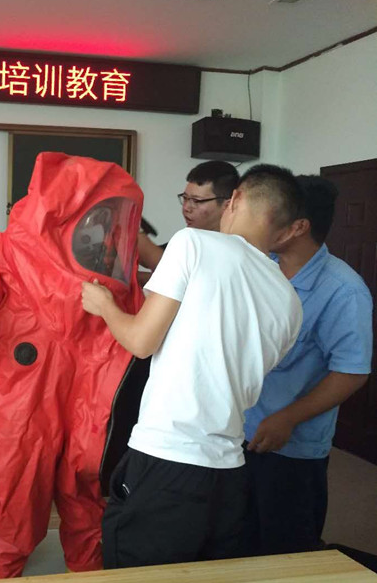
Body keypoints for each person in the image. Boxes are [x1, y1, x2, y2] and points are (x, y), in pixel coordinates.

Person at [0, 153, 145, 577]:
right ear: (62, 214)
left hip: (84, 412)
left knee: (87, 513)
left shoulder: (108, 275)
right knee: (14, 522)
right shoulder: (2, 254)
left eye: (110, 216)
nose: (103, 227)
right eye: (96, 214)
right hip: (19, 410)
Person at [81, 164, 304, 568]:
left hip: (168, 458)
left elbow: (141, 342)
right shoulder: (290, 300)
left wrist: (105, 307)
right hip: (230, 471)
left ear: (234, 200)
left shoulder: (193, 244)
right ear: (288, 229)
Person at [244, 175, 373, 555]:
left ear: (296, 227)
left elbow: (351, 372)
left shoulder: (343, 290)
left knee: (285, 549)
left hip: (289, 444)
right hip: (239, 428)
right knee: (236, 535)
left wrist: (288, 418)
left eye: (264, 212)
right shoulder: (262, 267)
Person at [137, 160, 239, 275]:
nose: (186, 208)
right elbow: (156, 260)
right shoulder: (191, 238)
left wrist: (136, 232)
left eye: (196, 201)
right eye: (185, 198)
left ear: (227, 205)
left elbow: (170, 269)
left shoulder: (234, 247)